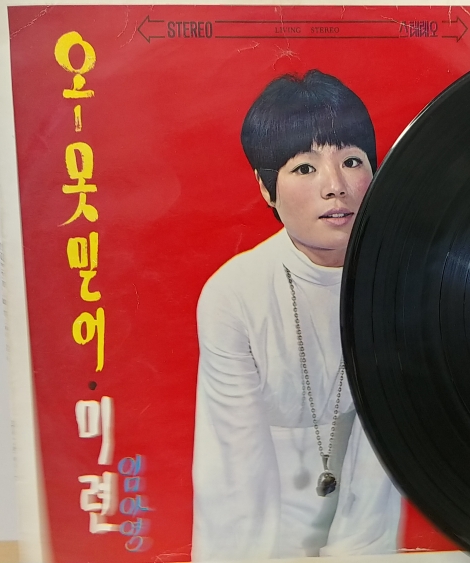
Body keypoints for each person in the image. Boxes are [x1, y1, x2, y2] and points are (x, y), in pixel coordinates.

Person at [192, 70, 401, 560]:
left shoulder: (401, 286)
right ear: (266, 189)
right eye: (305, 168)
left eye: (352, 161)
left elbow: (381, 468)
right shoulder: (233, 294)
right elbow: (234, 470)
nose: (336, 187)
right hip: (256, 539)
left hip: (369, 536)